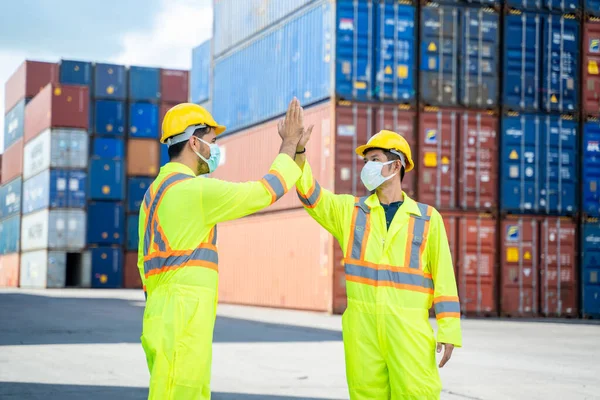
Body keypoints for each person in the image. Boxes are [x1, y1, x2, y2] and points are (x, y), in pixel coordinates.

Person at [137, 99, 308, 399]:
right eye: (212, 142)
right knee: (183, 393)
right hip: (183, 317)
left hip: (160, 314)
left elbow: (143, 264)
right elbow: (264, 191)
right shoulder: (194, 191)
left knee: (170, 390)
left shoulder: (153, 193)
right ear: (194, 142)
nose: (216, 149)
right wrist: (290, 143)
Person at [294, 128, 462, 399]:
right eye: (366, 161)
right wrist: (298, 152)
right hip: (363, 334)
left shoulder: (428, 219)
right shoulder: (350, 212)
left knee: (416, 394)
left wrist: (449, 329)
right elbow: (311, 196)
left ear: (396, 166)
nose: (367, 167)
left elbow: (444, 279)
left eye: (374, 159)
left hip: (409, 335)